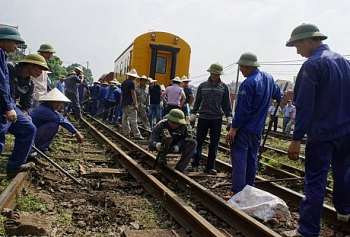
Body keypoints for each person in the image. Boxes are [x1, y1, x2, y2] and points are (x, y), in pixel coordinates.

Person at [286, 23, 350, 236]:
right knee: (343, 174)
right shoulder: (343, 62)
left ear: (309, 40)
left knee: (315, 181)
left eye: (297, 45)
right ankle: (344, 212)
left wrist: (296, 138)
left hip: (321, 135)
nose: (298, 51)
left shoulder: (313, 65)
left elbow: (304, 106)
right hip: (346, 133)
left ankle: (307, 230)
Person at [224, 52, 283, 200]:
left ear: (246, 66)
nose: (240, 70)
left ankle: (238, 192)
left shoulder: (249, 83)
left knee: (239, 160)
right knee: (251, 159)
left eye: (241, 67)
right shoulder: (268, 78)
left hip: (243, 129)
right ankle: (248, 190)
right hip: (257, 130)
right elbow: (279, 95)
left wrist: (233, 128)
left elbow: (243, 110)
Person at [0, 26, 37, 178]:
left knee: (29, 128)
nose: (16, 47)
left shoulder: (3, 55)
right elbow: (1, 83)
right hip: (4, 104)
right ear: (4, 40)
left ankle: (15, 166)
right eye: (14, 43)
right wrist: (8, 107)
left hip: (8, 103)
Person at [189, 62, 232, 175]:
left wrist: (229, 117)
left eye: (216, 74)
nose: (214, 75)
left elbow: (226, 104)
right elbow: (197, 101)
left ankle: (210, 167)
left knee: (214, 143)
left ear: (219, 75)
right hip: (203, 117)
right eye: (213, 73)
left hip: (216, 119)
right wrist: (193, 113)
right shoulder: (202, 86)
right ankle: (195, 164)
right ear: (210, 73)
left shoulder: (224, 87)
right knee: (198, 142)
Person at [30, 88, 84, 157]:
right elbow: (60, 120)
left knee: (54, 124)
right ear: (50, 102)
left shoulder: (48, 108)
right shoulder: (45, 110)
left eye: (60, 103)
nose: (59, 105)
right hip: (30, 136)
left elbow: (62, 118)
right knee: (54, 125)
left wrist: (76, 131)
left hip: (34, 133)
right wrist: (76, 132)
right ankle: (41, 148)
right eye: (57, 102)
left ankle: (41, 146)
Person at [149, 109, 197, 173]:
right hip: (163, 146)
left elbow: (183, 138)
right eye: (173, 122)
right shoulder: (160, 125)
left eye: (178, 123)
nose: (175, 125)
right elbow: (151, 142)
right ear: (169, 119)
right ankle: (162, 157)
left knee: (193, 143)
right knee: (169, 137)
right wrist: (157, 145)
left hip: (175, 146)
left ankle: (180, 168)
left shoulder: (183, 127)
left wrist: (178, 145)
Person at [120, 69, 143, 140]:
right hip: (130, 103)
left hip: (124, 103)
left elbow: (122, 94)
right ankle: (137, 134)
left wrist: (121, 102)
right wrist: (136, 104)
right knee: (133, 119)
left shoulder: (123, 83)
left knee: (124, 119)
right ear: (133, 77)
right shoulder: (132, 83)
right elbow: (133, 93)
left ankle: (126, 133)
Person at [32, 43, 56, 108]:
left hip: (42, 94)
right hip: (34, 93)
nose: (50, 55)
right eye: (48, 53)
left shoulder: (44, 64)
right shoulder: (35, 62)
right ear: (41, 52)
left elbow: (46, 81)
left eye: (51, 53)